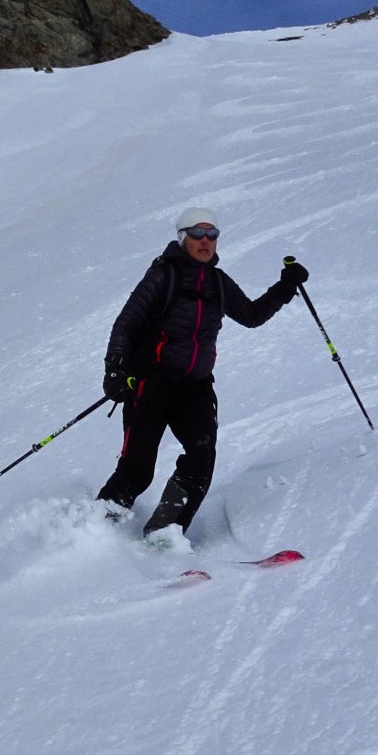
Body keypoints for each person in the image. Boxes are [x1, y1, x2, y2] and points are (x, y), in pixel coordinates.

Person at [97, 207, 308, 538]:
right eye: (198, 233)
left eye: (212, 235)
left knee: (201, 456)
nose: (206, 241)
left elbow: (252, 315)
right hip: (153, 383)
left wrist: (285, 287)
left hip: (195, 386)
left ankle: (165, 533)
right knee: (137, 469)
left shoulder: (217, 283)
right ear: (183, 237)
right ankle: (95, 529)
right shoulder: (163, 276)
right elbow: (127, 323)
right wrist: (115, 370)